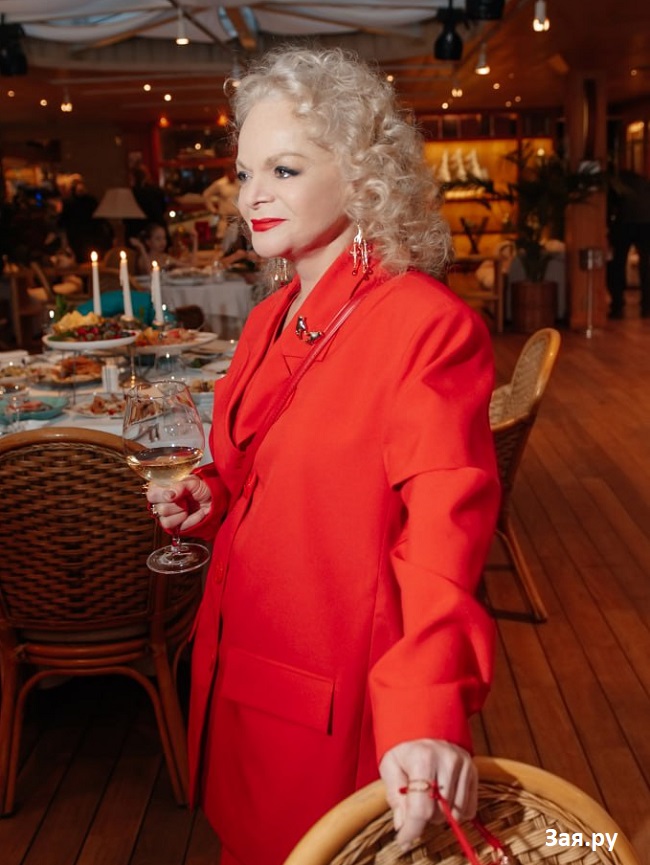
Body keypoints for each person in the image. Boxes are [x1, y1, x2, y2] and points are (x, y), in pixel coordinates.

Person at [146, 47, 500, 865]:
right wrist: (211, 495)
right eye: (245, 172)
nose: (253, 195)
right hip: (240, 675)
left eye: (286, 168)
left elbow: (443, 540)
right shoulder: (269, 316)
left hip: (329, 698)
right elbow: (257, 466)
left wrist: (425, 714)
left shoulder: (425, 325)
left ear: (363, 175)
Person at [129, 220, 197, 274]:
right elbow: (150, 272)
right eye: (158, 239)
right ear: (148, 242)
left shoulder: (165, 258)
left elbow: (191, 267)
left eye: (164, 238)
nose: (162, 242)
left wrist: (195, 242)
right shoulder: (143, 258)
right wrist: (142, 248)